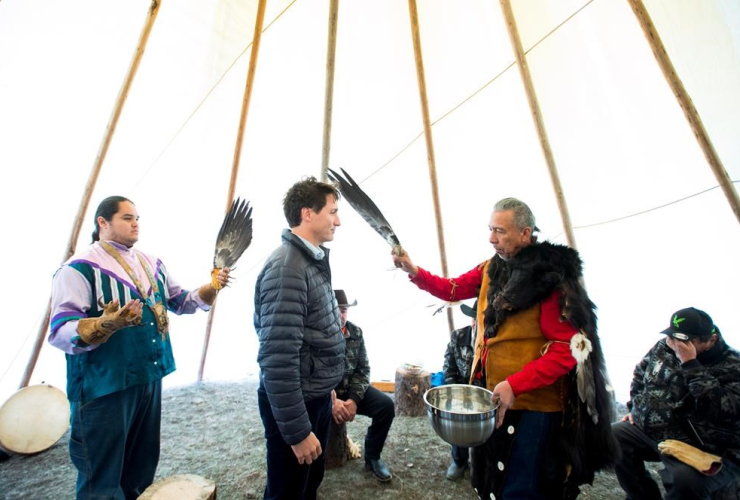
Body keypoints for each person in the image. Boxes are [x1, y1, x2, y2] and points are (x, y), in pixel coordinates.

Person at [392, 197, 618, 499]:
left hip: (534, 405)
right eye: (490, 229)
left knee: (520, 487)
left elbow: (569, 348)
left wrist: (516, 384)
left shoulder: (549, 279)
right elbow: (453, 288)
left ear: (525, 234)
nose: (491, 238)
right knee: (492, 483)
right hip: (494, 397)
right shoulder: (492, 268)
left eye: (500, 231)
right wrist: (414, 270)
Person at [49, 195, 230, 499]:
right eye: (126, 218)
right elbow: (60, 330)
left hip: (148, 377)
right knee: (102, 478)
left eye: (137, 218)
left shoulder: (150, 263)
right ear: (102, 223)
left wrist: (211, 287)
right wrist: (106, 324)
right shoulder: (79, 269)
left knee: (141, 468)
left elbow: (181, 301)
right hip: (104, 386)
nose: (135, 224)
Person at [254, 177, 345, 500]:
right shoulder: (287, 269)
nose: (338, 220)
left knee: (307, 484)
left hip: (312, 395)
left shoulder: (310, 260)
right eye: (332, 211)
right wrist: (296, 432)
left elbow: (314, 335)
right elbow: (278, 360)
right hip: (295, 404)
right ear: (308, 213)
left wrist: (326, 386)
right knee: (287, 491)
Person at [613, 307, 740, 499]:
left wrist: (690, 364)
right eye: (672, 337)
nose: (674, 344)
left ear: (710, 340)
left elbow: (725, 412)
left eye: (685, 341)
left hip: (702, 445)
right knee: (611, 437)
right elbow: (641, 375)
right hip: (656, 431)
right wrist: (635, 409)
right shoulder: (664, 347)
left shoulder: (732, 365)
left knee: (685, 480)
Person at [331, 289, 395, 482]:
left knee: (386, 406)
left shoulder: (356, 332)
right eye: (336, 310)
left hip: (350, 390)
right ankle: (312, 464)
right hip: (324, 395)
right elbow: (312, 375)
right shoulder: (316, 334)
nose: (341, 314)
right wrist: (331, 401)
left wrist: (354, 400)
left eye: (343, 310)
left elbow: (363, 369)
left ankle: (373, 457)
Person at [442, 300, 477, 481]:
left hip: (484, 391)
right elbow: (448, 365)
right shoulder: (458, 336)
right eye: (474, 318)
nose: (476, 322)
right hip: (460, 387)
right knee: (457, 419)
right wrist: (454, 390)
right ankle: (459, 460)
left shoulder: (495, 340)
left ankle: (481, 462)